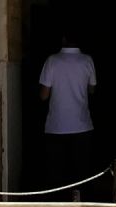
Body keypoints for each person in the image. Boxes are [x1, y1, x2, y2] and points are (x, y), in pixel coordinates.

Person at [39, 33, 97, 193]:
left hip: (56, 127)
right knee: (81, 176)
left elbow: (43, 95)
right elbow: (92, 89)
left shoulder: (52, 61)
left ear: (63, 39)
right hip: (82, 126)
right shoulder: (87, 60)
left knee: (56, 176)